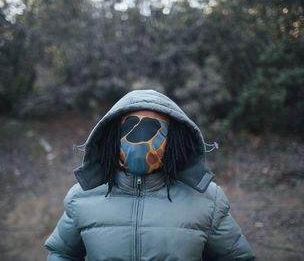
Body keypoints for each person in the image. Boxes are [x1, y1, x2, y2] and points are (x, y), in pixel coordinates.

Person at [44, 89, 255, 261]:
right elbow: (63, 253)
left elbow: (237, 257)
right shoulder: (82, 197)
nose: (141, 142)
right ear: (111, 137)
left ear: (174, 140)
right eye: (130, 127)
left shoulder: (207, 200)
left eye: (155, 129)